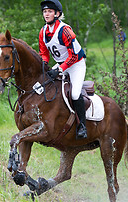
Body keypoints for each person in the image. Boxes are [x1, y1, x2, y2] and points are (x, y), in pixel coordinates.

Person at [39, 0, 87, 139]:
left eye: (49, 11)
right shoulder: (43, 31)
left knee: (74, 94)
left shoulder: (65, 30)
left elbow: (73, 56)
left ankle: (82, 126)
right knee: (43, 85)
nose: (46, 14)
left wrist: (59, 70)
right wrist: (44, 63)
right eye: (44, 12)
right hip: (61, 64)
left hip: (76, 64)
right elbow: (44, 52)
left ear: (57, 14)